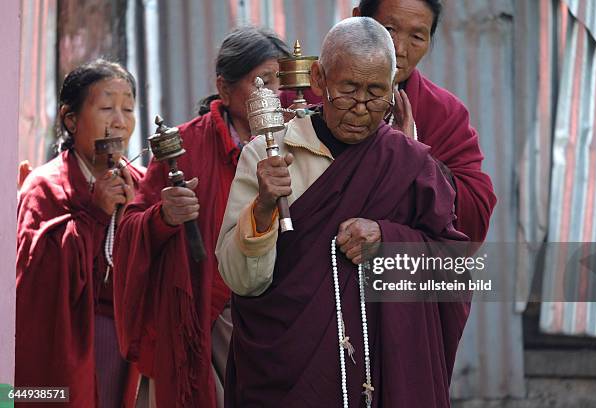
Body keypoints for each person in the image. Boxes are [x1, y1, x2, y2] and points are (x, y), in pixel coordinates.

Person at [216, 17, 470, 407]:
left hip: (381, 376)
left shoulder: (408, 164)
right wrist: (264, 207)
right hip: (284, 373)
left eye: (375, 93)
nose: (362, 108)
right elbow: (241, 280)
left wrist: (389, 241)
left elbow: (455, 274)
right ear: (319, 79)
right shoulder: (270, 155)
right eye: (349, 89)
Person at [113, 26, 291, 407]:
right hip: (201, 315)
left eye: (278, 81)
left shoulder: (296, 140)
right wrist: (164, 216)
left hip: (276, 314)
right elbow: (130, 227)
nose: (272, 94)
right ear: (224, 89)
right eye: (260, 81)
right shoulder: (185, 146)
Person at [280, 0, 496, 244]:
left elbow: (472, 222)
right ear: (358, 18)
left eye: (416, 36)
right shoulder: (309, 94)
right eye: (389, 29)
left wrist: (413, 157)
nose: (400, 49)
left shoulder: (444, 114)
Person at [16, 59, 143, 407]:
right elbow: (34, 283)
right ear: (71, 119)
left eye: (128, 108)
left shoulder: (143, 183)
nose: (119, 120)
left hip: (130, 346)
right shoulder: (44, 187)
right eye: (106, 108)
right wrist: (93, 213)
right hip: (69, 345)